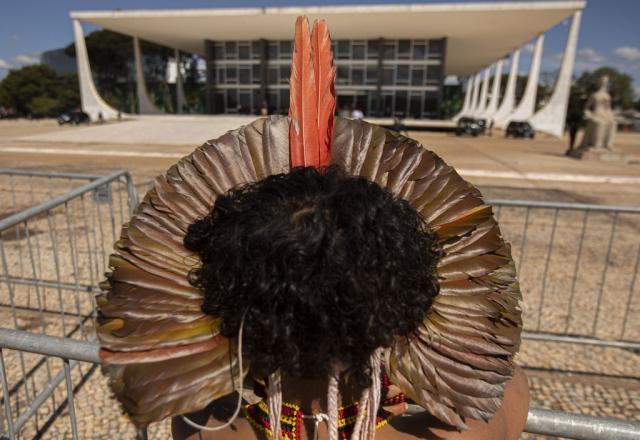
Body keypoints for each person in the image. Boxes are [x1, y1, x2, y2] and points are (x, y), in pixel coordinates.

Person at [96, 16, 526, 440]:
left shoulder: (203, 431)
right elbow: (506, 378)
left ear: (230, 309)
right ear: (403, 306)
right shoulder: (465, 435)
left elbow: (206, 396)